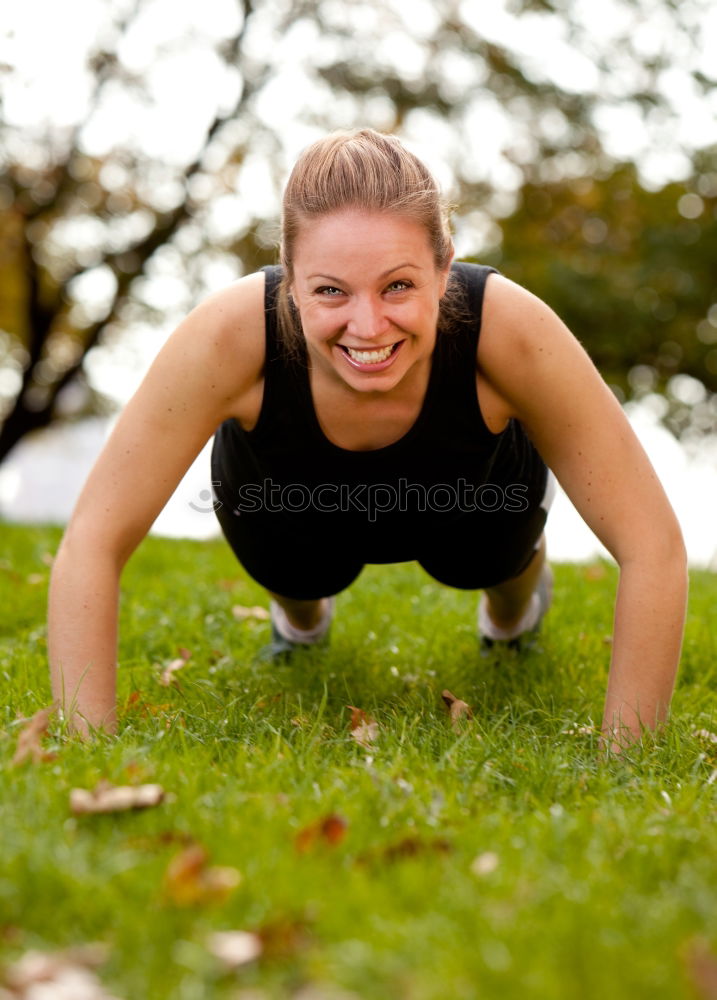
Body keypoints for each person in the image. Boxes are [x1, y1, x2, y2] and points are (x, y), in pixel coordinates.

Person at [48, 128, 687, 748]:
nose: (368, 325)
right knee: (297, 577)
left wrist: (626, 756)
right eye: (330, 290)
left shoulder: (510, 330)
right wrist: (85, 746)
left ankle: (513, 615)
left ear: (444, 269)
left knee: (486, 564)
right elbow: (94, 541)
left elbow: (652, 546)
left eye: (399, 285)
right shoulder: (227, 337)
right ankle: (299, 624)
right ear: (289, 280)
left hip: (475, 502)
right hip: (286, 507)